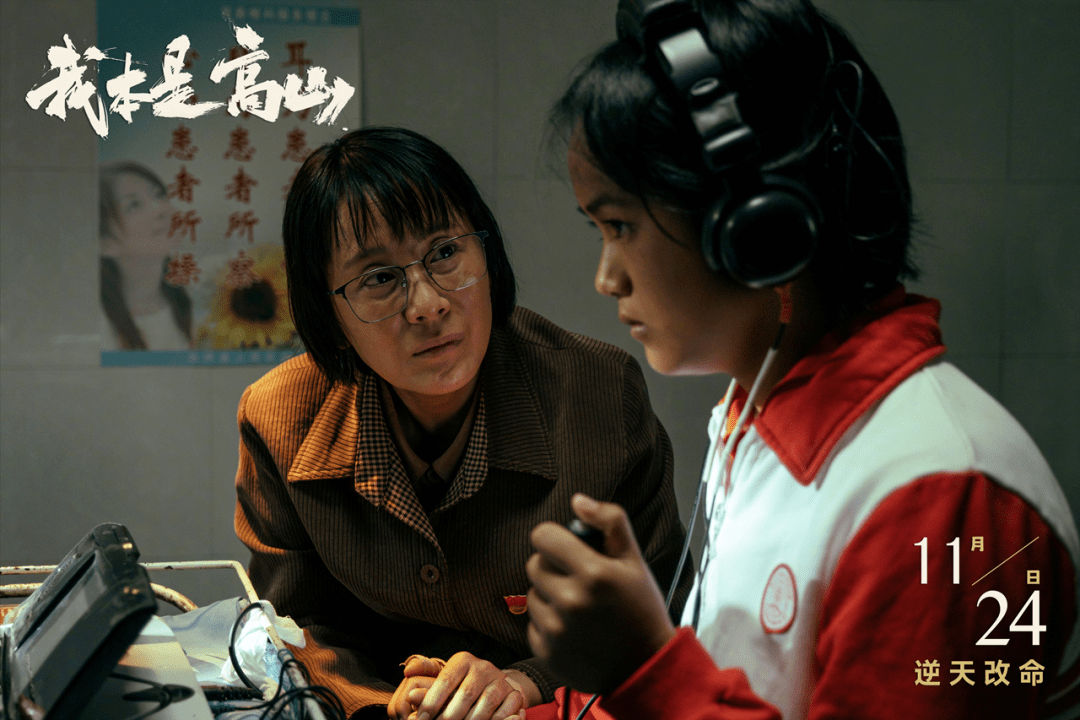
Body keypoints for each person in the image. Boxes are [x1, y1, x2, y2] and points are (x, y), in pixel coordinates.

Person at [524, 2, 1080, 719]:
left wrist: (643, 671)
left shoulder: (944, 495)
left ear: (757, 229)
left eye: (620, 226)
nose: (607, 279)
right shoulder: (757, 418)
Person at [233, 126, 693, 720]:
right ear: (329, 314)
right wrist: (383, 704)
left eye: (446, 253)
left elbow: (659, 613)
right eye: (379, 278)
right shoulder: (278, 418)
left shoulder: (600, 395)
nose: (428, 304)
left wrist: (526, 681)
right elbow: (299, 627)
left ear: (487, 253)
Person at [99, 161, 193, 350]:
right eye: (133, 205)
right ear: (105, 243)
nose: (161, 209)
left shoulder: (204, 290)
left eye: (159, 195)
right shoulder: (98, 328)